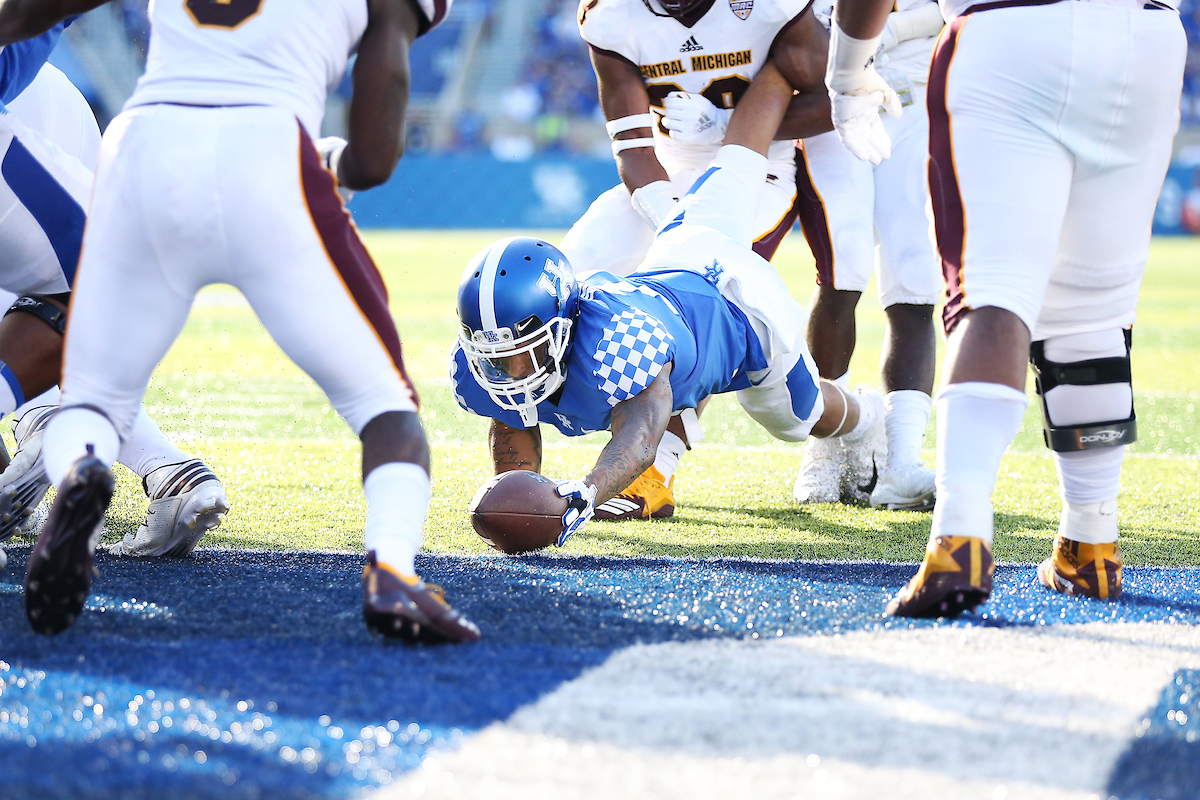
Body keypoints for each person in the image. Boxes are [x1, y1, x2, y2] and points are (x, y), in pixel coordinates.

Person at [0, 0, 480, 644]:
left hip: (145, 144)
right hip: (270, 149)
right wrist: (330, 164)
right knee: (383, 405)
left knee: (93, 396)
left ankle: (81, 466)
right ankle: (393, 572)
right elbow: (374, 157)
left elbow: (28, 13)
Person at [825, 0, 1186, 615]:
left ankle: (959, 537)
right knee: (1093, 312)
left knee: (992, 292)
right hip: (1148, 38)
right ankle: (1090, 544)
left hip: (1011, 34)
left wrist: (846, 71)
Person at [452, 61, 886, 547]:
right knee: (735, 164)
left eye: (522, 351)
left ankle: (868, 418)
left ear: (563, 327)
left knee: (796, 419)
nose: (508, 370)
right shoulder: (498, 353)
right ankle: (778, 74)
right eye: (495, 354)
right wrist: (520, 507)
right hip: (680, 250)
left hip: (736, 302)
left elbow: (638, 439)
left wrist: (585, 495)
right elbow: (514, 439)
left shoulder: (618, 341)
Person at [560, 0, 833, 521]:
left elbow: (837, 99)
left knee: (693, 302)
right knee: (566, 273)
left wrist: (727, 124)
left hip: (754, 172)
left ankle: (656, 465)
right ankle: (517, 447)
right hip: (662, 176)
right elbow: (634, 151)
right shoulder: (608, 14)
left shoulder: (771, 7)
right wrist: (673, 223)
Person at [0, 54, 229, 565]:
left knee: (61, 289)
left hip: (11, 104)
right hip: (48, 88)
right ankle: (168, 470)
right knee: (74, 290)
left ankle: (47, 428)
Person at [788, 0, 944, 510]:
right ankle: (825, 445)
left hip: (920, 87)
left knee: (915, 277)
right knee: (842, 267)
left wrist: (890, 28)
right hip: (836, 86)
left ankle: (902, 461)